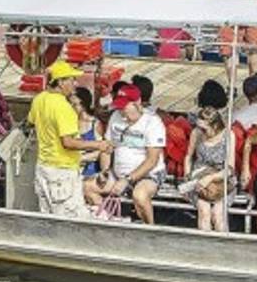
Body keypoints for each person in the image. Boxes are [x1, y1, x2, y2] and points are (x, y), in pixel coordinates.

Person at [29, 60, 112, 217]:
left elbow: (32, 123)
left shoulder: (39, 99)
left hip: (43, 167)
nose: (75, 83)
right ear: (60, 82)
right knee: (71, 220)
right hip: (62, 171)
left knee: (47, 218)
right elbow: (68, 142)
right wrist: (98, 145)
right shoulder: (63, 107)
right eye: (71, 79)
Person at [85, 84, 166, 224]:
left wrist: (128, 179)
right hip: (118, 173)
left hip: (147, 174)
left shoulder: (153, 122)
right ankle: (109, 219)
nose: (121, 111)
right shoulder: (115, 117)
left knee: (140, 196)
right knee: (87, 187)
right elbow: (107, 147)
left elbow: (152, 160)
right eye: (119, 107)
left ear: (137, 103)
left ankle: (150, 230)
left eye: (125, 107)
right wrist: (105, 171)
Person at [181, 107, 232, 231]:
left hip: (220, 177)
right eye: (199, 127)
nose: (201, 131)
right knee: (204, 212)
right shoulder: (197, 133)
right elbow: (188, 156)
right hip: (199, 175)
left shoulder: (228, 136)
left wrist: (211, 178)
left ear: (215, 126)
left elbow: (230, 168)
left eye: (204, 128)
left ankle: (222, 245)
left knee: (218, 214)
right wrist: (187, 176)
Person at [70, 87, 106, 181]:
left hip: (89, 170)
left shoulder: (95, 124)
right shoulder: (69, 122)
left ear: (84, 104)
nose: (71, 107)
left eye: (75, 104)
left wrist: (82, 158)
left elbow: (101, 150)